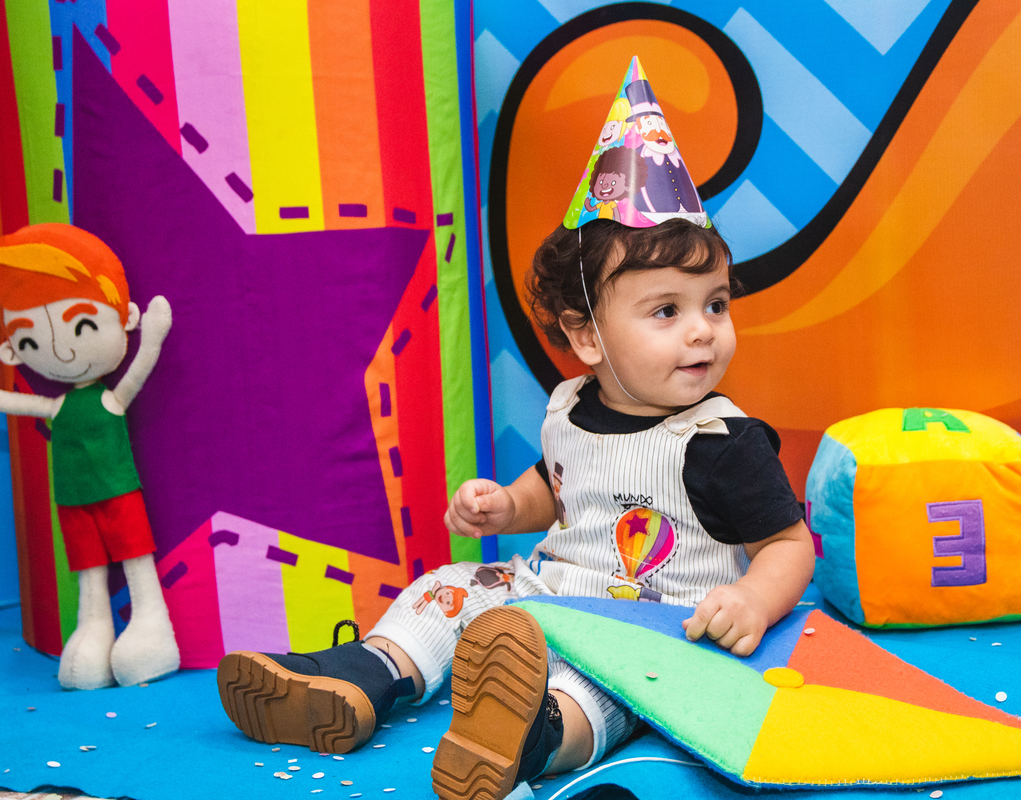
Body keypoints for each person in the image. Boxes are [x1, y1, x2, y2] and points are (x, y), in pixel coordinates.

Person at [215, 57, 815, 800]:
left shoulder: (721, 442)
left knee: (612, 692)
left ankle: (530, 738)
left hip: (657, 630)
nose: (703, 331)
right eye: (668, 311)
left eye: (715, 305)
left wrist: (753, 600)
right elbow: (559, 487)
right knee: (453, 586)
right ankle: (369, 676)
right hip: (547, 595)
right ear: (586, 336)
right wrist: (507, 505)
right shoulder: (569, 405)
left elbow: (787, 545)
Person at [0, 223, 179, 690]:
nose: (61, 351)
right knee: (88, 571)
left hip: (118, 491)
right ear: (12, 351)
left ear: (125, 318)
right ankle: (92, 632)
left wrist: (152, 340)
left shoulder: (107, 400)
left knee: (136, 559)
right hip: (72, 500)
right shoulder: (59, 406)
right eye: (30, 342)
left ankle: (151, 628)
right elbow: (23, 404)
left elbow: (135, 375)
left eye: (81, 325)